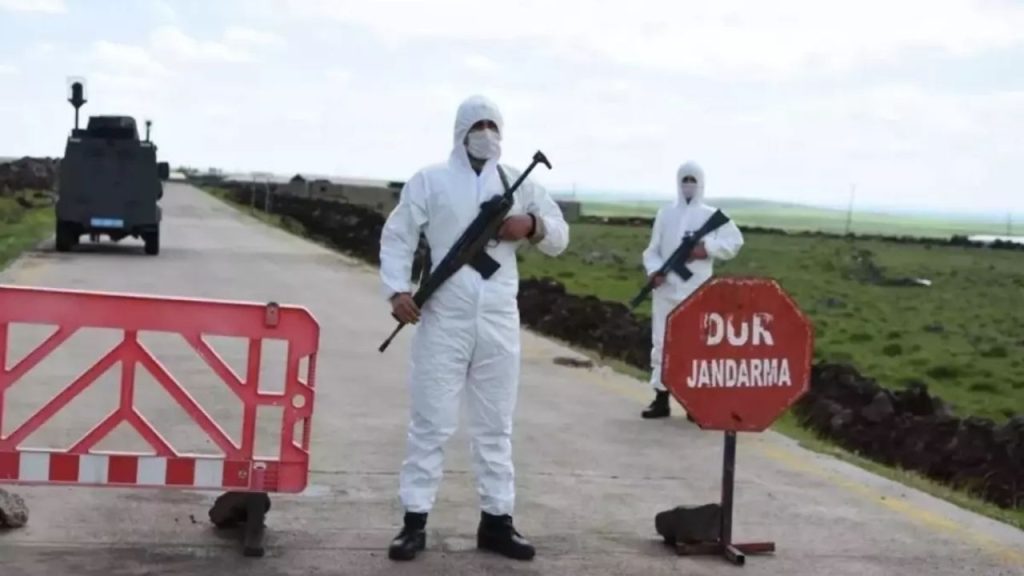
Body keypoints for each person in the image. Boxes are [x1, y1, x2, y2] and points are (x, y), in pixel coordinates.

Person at [378, 94, 570, 561]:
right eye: (478, 125)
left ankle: (497, 521)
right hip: (443, 316)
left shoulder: (518, 185)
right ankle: (414, 522)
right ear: (461, 131)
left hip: (499, 318)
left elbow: (560, 237)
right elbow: (399, 234)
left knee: (495, 425)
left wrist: (531, 225)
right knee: (431, 423)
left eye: (493, 126)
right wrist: (397, 290)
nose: (486, 134)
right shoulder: (432, 180)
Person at [640, 161, 744, 419]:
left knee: (697, 346)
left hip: (696, 291)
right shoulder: (665, 214)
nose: (688, 186)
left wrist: (706, 249)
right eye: (684, 180)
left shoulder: (711, 216)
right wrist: (654, 271)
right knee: (662, 343)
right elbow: (652, 250)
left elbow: (734, 241)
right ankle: (661, 397)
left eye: (692, 180)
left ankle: (694, 402)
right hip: (666, 291)